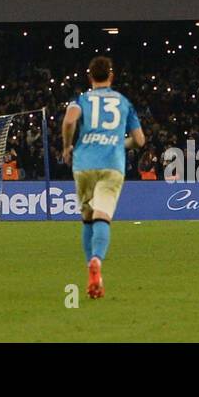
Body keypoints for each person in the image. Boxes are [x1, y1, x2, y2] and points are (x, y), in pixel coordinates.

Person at [61, 55, 144, 300]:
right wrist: (120, 143)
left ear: (90, 77)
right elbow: (140, 140)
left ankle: (92, 271)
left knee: (88, 219)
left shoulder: (81, 99)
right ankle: (97, 260)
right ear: (111, 76)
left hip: (84, 165)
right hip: (111, 166)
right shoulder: (124, 102)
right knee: (102, 217)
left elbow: (69, 120)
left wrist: (67, 146)